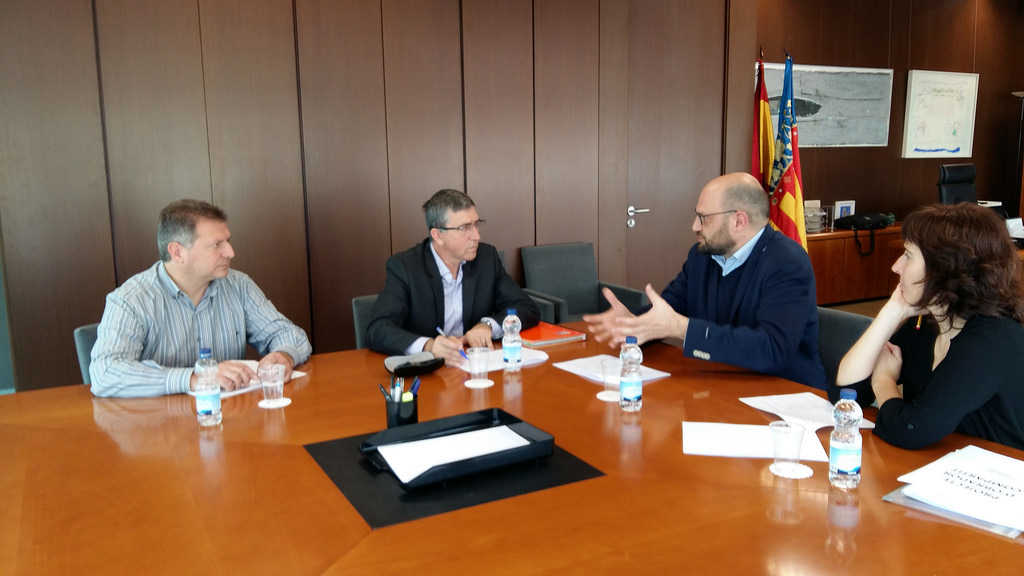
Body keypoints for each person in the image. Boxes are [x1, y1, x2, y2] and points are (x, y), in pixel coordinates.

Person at [584, 172, 824, 389]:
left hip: (783, 395)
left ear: (739, 221)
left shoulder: (787, 262)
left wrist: (682, 328)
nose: (694, 226)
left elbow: (772, 350)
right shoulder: (701, 256)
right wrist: (634, 323)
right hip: (718, 385)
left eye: (703, 218)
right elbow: (668, 311)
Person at [835, 203, 1024, 450]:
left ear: (944, 268)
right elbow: (846, 396)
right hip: (945, 461)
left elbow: (912, 430)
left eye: (908, 255)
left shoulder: (993, 339)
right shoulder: (927, 325)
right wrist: (891, 313)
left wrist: (883, 381)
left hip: (1000, 468)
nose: (896, 266)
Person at [90, 200, 312, 397]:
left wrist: (284, 355)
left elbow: (290, 335)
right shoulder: (131, 299)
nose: (230, 252)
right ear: (177, 252)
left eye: (227, 241)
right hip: (159, 425)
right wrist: (195, 379)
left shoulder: (238, 285)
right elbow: (105, 373)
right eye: (217, 244)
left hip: (231, 419)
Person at [367, 189, 540, 364]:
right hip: (427, 371)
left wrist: (487, 325)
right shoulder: (405, 267)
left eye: (476, 224)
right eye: (464, 228)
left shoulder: (486, 258)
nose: (476, 236)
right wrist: (428, 346)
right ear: (437, 235)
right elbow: (378, 329)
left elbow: (526, 307)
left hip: (475, 365)